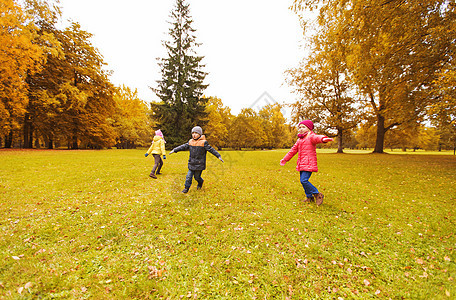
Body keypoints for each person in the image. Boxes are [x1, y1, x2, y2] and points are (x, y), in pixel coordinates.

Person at [280, 120, 333, 205]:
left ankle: (317, 194)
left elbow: (317, 138)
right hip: (301, 163)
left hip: (309, 163)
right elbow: (293, 150)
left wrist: (323, 139)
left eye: (303, 127)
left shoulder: (311, 137)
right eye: (299, 127)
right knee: (303, 181)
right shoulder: (300, 140)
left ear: (309, 129)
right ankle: (309, 197)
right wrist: (285, 159)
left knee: (304, 180)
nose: (301, 129)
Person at [169, 126, 224, 193]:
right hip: (191, 163)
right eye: (193, 133)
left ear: (200, 134)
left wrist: (218, 156)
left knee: (197, 177)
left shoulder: (204, 142)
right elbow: (183, 146)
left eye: (196, 133)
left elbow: (211, 150)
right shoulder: (190, 142)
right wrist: (174, 150)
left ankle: (200, 182)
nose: (194, 135)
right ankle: (186, 188)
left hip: (199, 164)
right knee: (188, 177)